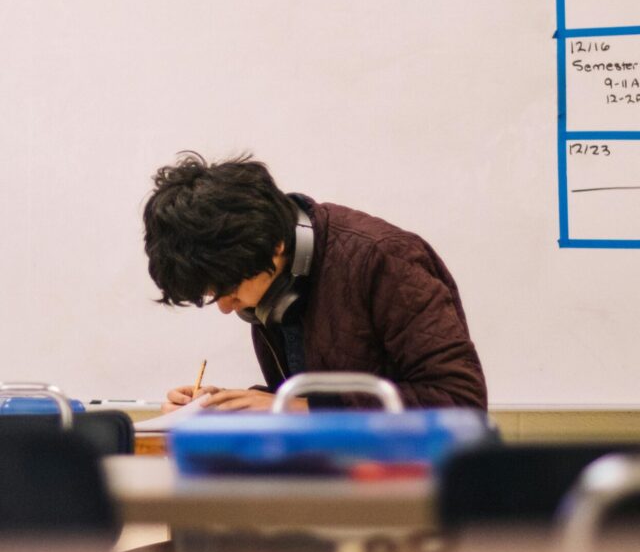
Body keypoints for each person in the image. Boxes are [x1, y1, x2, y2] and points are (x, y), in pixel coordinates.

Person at [143, 153, 487, 413]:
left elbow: (460, 401)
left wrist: (298, 409)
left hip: (406, 490)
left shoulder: (384, 258)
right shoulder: (275, 283)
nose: (225, 308)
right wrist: (225, 407)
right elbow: (317, 394)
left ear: (274, 246)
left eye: (229, 291)